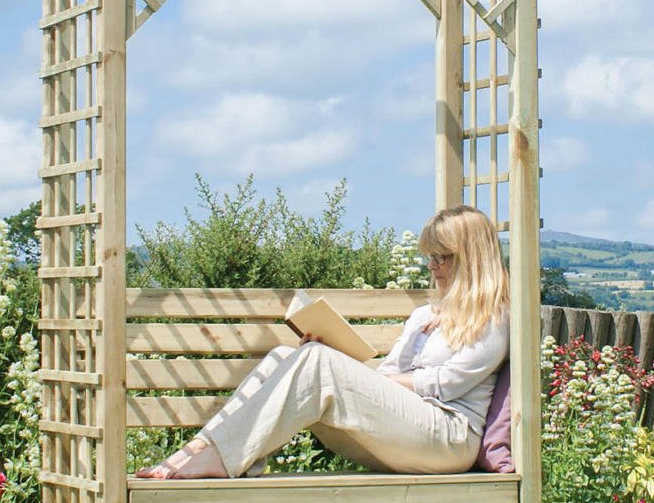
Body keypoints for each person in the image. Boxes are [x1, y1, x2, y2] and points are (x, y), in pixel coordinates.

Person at [135, 204, 509, 480]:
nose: (432, 267)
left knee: (317, 361)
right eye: (430, 257)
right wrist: (340, 358)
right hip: (405, 431)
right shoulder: (425, 316)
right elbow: (391, 373)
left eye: (442, 258)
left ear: (471, 259)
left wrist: (341, 370)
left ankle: (224, 458)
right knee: (284, 355)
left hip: (448, 438)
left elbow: (446, 385)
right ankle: (202, 448)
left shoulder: (493, 317)